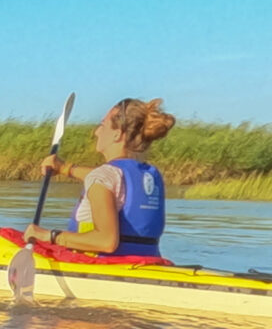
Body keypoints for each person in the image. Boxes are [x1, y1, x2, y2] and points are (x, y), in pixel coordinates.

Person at [22, 97, 174, 258]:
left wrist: (49, 235)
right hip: (149, 261)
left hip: (102, 264)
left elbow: (106, 242)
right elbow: (108, 181)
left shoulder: (104, 177)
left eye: (103, 125)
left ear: (117, 134)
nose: (97, 132)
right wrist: (65, 168)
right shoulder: (151, 175)